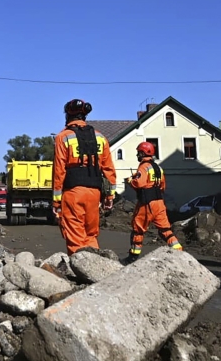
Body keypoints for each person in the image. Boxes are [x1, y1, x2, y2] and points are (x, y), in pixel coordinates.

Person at [52, 99, 117, 254]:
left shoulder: (63, 137)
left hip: (73, 193)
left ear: (68, 115)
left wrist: (56, 202)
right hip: (94, 193)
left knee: (75, 235)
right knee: (91, 234)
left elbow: (59, 171)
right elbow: (108, 169)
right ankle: (95, 268)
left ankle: (80, 272)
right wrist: (109, 197)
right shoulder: (100, 137)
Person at [124, 141, 182, 264]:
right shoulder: (158, 168)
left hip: (146, 204)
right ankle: (179, 251)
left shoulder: (143, 167)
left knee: (138, 229)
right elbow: (162, 186)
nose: (137, 155)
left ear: (143, 153)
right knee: (165, 229)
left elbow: (139, 183)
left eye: (138, 153)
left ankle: (132, 257)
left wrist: (131, 181)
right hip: (159, 203)